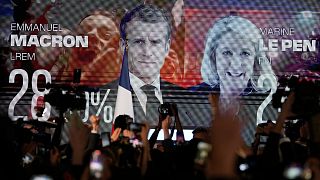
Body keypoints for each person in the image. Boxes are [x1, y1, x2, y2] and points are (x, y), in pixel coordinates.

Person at [104, 4, 200, 127]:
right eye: (139, 41)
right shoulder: (104, 96)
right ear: (123, 46)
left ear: (167, 47)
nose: (147, 53)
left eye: (155, 42)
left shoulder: (189, 100)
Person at [199, 15, 275, 97]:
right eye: (227, 53)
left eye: (245, 53)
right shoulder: (194, 95)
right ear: (213, 57)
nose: (236, 65)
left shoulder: (270, 98)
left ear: (255, 60)